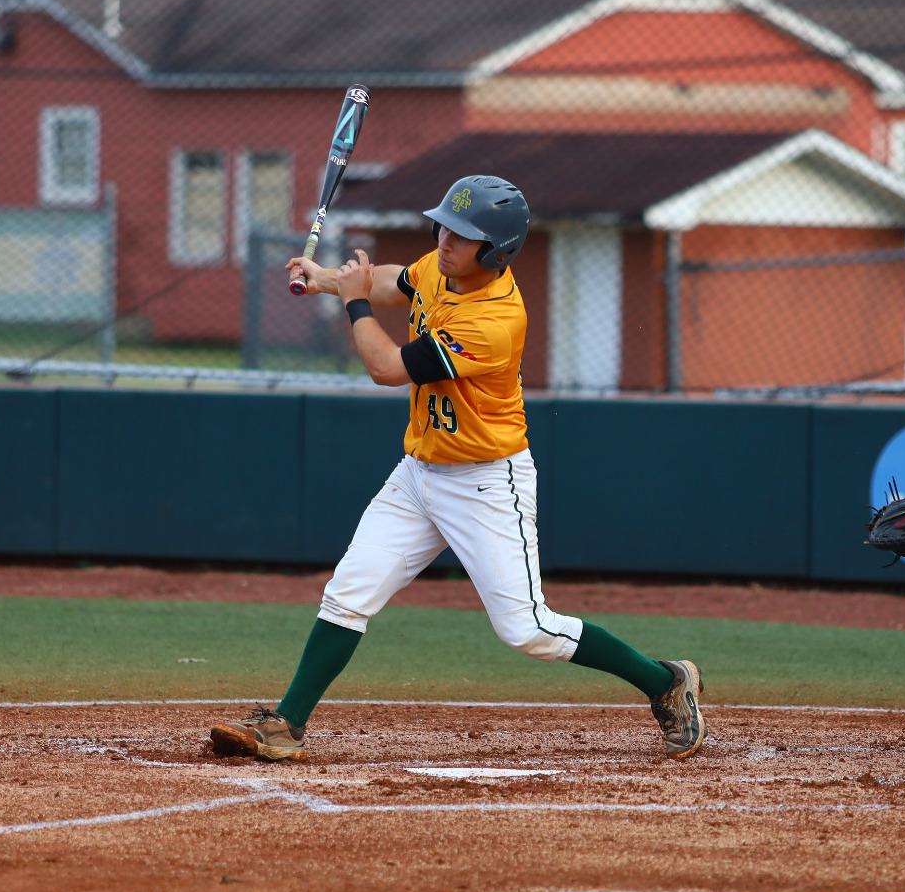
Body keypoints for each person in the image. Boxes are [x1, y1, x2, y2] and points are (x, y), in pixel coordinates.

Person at [208, 175, 707, 762]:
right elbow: (401, 280)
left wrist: (352, 301)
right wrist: (329, 280)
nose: (446, 240)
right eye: (444, 226)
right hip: (419, 473)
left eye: (463, 235)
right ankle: (287, 724)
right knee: (348, 593)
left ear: (495, 251)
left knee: (528, 631)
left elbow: (386, 368)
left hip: (486, 482)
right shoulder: (444, 268)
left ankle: (665, 681)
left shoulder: (493, 321)